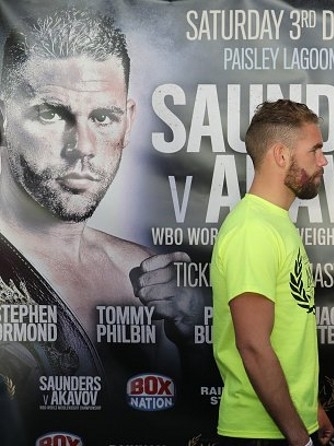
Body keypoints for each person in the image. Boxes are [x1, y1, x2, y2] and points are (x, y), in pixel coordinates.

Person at [0, 7, 214, 444]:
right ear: (4, 117)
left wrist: (197, 336)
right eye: (50, 114)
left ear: (128, 121)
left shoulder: (140, 272)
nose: (82, 146)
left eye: (102, 118)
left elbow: (190, 420)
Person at [211, 99, 334, 446]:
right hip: (261, 434)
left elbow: (286, 336)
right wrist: (299, 438)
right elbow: (253, 345)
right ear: (281, 155)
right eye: (315, 150)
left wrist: (310, 410)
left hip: (284, 425)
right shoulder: (253, 230)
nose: (323, 161)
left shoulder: (273, 222)